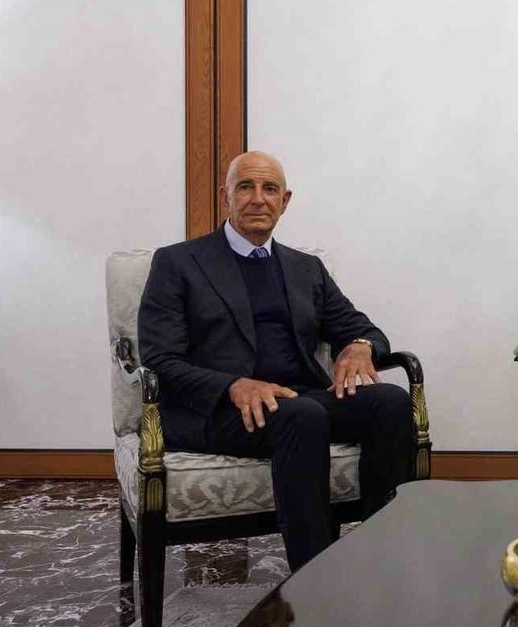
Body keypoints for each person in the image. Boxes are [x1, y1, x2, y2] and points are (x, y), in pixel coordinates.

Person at [138, 151, 414, 571]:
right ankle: (316, 581)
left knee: (390, 402)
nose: (258, 199)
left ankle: (384, 561)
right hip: (218, 409)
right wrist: (233, 386)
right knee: (302, 416)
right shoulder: (177, 262)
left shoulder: (306, 268)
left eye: (270, 189)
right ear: (225, 196)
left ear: (285, 201)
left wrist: (360, 346)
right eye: (245, 187)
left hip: (296, 400)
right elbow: (160, 358)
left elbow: (361, 328)